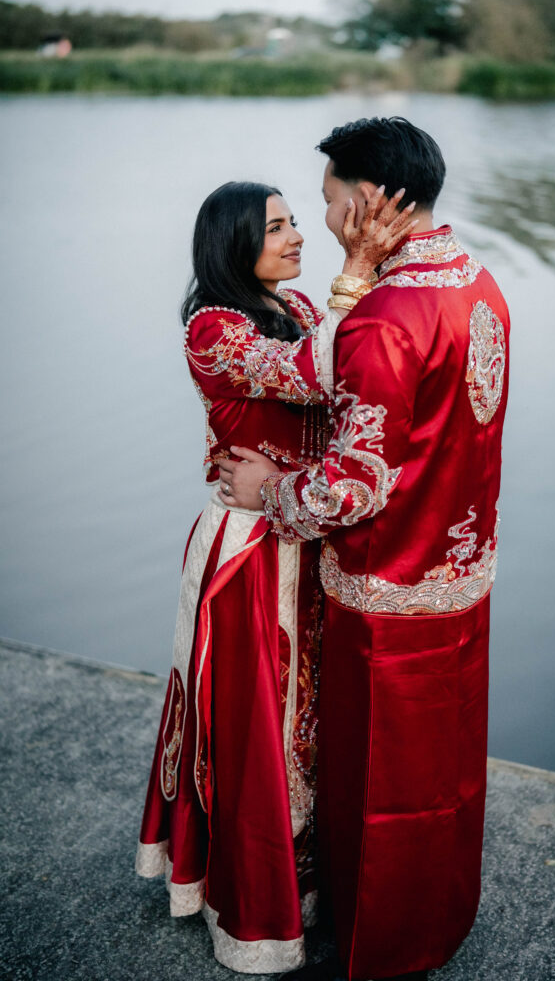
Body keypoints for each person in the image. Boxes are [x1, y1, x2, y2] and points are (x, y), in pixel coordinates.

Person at [217, 117, 511, 981]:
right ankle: (441, 917)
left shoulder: (386, 315)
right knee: (445, 775)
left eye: (329, 199)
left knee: (382, 782)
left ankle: (384, 949)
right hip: (459, 574)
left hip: (386, 586)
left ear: (371, 198)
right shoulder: (477, 282)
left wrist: (262, 491)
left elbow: (351, 487)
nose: (326, 217)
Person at [135, 180, 417, 973]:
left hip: (304, 526)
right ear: (232, 243)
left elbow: (352, 374)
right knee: (260, 719)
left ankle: (308, 887)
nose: (297, 237)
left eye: (297, 222)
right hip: (252, 547)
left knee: (309, 716)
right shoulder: (212, 329)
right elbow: (313, 376)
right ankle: (251, 908)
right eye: (276, 228)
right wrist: (358, 270)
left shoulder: (295, 307)